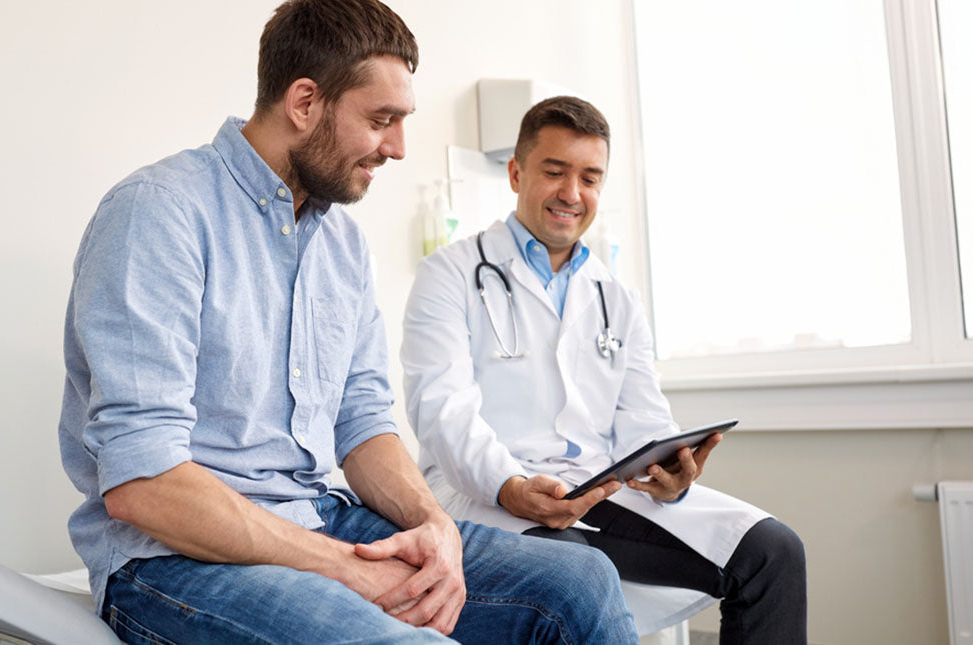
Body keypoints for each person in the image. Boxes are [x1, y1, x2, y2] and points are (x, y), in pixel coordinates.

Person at [58, 2, 639, 643]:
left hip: (319, 517)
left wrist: (432, 523)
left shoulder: (341, 244)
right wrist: (345, 572)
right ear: (305, 102)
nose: (396, 148)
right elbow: (144, 486)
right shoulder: (160, 213)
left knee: (582, 582)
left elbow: (361, 421)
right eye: (381, 120)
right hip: (171, 562)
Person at [401, 96, 807, 644]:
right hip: (484, 496)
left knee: (773, 552)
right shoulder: (448, 275)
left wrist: (670, 469)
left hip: (597, 489)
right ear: (517, 173)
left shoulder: (617, 297)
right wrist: (510, 485)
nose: (573, 193)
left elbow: (642, 418)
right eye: (555, 171)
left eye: (590, 177)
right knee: (574, 578)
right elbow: (442, 412)